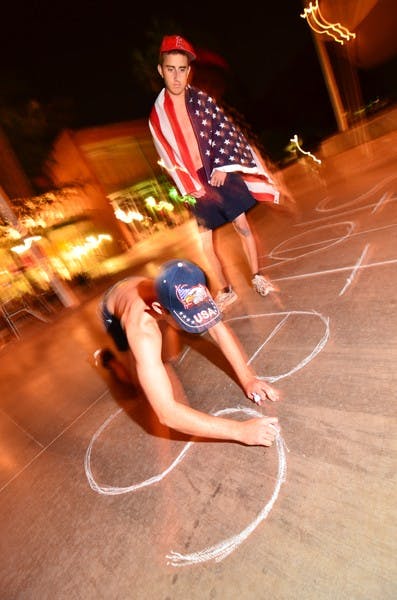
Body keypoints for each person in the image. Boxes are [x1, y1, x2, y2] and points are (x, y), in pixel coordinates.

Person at [149, 34, 281, 312]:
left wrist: (221, 165)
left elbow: (224, 131)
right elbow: (167, 155)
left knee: (242, 226)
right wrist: (190, 185)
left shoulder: (202, 101)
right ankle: (225, 289)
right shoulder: (157, 116)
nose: (176, 76)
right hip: (193, 180)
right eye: (170, 69)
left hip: (218, 167)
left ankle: (257, 276)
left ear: (189, 71)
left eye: (182, 69)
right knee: (205, 242)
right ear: (161, 70)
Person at [97, 258, 280, 447]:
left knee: (168, 354)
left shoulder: (189, 287)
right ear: (159, 309)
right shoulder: (141, 330)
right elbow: (167, 414)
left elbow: (218, 329)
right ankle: (109, 360)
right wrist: (239, 431)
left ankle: (170, 330)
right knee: (135, 379)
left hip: (144, 287)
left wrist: (248, 378)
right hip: (113, 312)